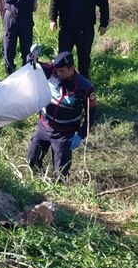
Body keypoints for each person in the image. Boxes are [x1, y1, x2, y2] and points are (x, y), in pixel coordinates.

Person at [26, 51, 96, 180]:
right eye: (57, 70)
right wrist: (32, 56)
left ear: (71, 69)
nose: (58, 73)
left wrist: (80, 135)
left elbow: (91, 115)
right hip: (44, 126)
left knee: (61, 174)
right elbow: (34, 66)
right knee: (31, 161)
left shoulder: (85, 88)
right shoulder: (52, 70)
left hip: (63, 134)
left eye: (62, 71)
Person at [48, 0, 109, 79]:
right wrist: (52, 19)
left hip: (85, 30)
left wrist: (104, 24)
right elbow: (54, 3)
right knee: (63, 58)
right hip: (66, 30)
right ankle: (63, 81)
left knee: (84, 58)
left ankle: (83, 81)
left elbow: (104, 4)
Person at [2, 0, 38, 76]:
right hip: (11, 18)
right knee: (8, 48)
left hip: (26, 18)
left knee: (26, 48)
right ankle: (9, 73)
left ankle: (26, 72)